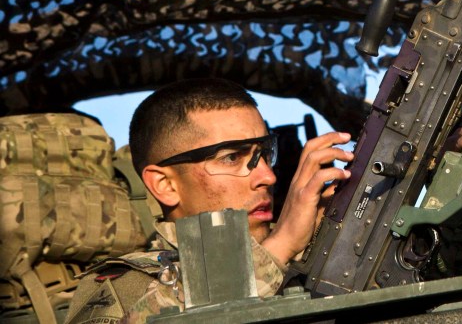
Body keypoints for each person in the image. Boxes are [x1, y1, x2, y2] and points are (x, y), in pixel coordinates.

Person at [64, 79, 353, 324]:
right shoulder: (126, 285)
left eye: (264, 154)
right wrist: (282, 245)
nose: (267, 176)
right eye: (231, 157)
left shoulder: (301, 248)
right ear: (165, 185)